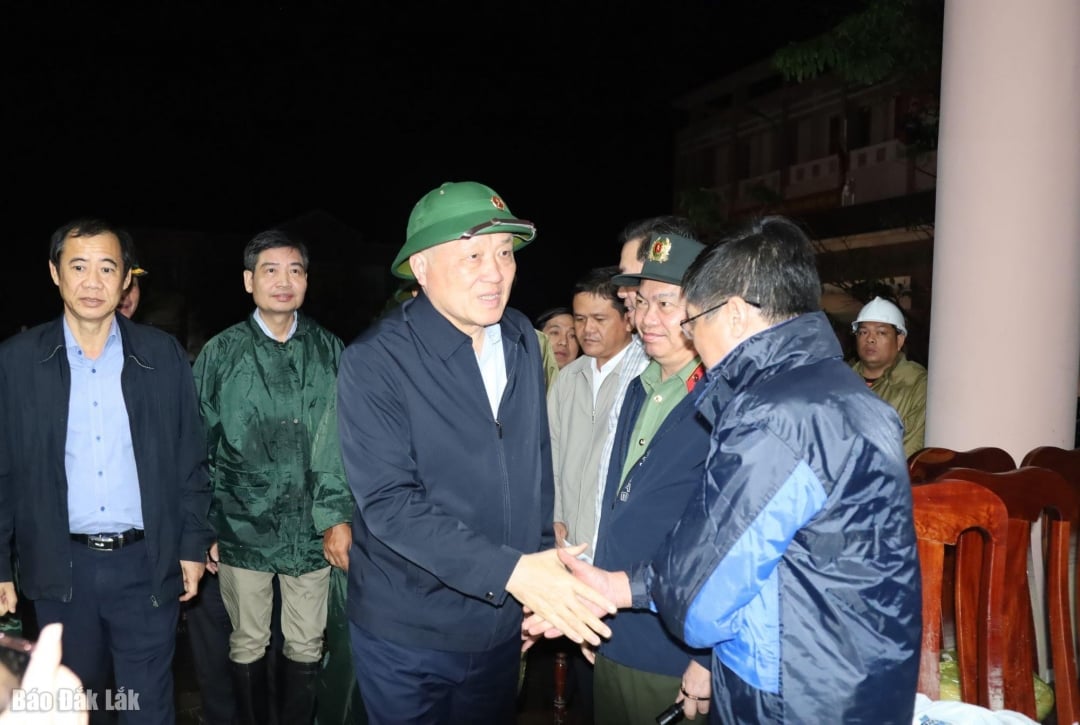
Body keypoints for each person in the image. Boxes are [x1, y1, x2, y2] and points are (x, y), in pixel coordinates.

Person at [532, 216, 922, 724]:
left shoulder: (773, 416)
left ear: (734, 314)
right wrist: (621, 587)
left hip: (791, 692)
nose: (690, 335)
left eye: (692, 319)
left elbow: (701, 602)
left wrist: (666, 608)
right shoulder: (839, 393)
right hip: (845, 676)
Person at [337, 180, 614, 724]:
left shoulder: (519, 337)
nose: (495, 272)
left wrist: (538, 577)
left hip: (500, 621)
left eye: (505, 254)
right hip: (409, 629)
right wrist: (516, 573)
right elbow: (390, 504)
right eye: (472, 256)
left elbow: (534, 467)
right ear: (421, 268)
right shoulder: (376, 360)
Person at [0, 218, 214, 724]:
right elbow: (4, 469)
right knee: (76, 703)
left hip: (146, 564)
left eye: (107, 268)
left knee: (147, 705)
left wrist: (191, 543)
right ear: (55, 273)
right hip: (59, 567)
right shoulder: (17, 362)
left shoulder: (161, 355)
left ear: (125, 280)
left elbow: (190, 454)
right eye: (78, 267)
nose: (92, 282)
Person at [193, 229, 353, 725]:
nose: (284, 282)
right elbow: (198, 445)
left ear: (306, 280)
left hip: (312, 528)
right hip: (241, 525)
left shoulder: (331, 350)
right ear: (249, 281)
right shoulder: (222, 353)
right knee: (247, 639)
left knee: (306, 641)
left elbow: (347, 445)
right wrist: (205, 526)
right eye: (270, 270)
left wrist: (338, 517)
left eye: (295, 271)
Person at [587, 233, 712, 724]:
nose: (645, 319)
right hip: (615, 629)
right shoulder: (640, 386)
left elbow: (733, 538)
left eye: (665, 303)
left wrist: (706, 658)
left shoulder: (723, 399)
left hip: (675, 649)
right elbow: (615, 505)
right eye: (640, 303)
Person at [549, 267, 634, 557]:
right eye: (580, 319)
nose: (587, 330)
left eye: (599, 319)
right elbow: (552, 452)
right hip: (568, 543)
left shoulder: (644, 379)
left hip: (617, 547)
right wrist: (555, 515)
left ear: (628, 320)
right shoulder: (568, 378)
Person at [850, 296, 928, 457]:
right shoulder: (840, 381)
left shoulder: (916, 384)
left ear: (899, 340)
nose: (870, 339)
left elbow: (910, 451)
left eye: (881, 332)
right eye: (863, 332)